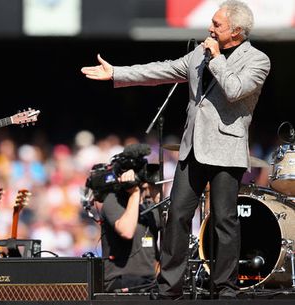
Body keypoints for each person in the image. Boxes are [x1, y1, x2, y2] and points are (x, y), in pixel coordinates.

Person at [81, 0, 270, 299]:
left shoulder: (257, 60)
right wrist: (117, 73)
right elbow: (164, 70)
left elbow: (234, 90)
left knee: (224, 221)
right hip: (192, 149)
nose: (210, 28)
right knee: (177, 216)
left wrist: (217, 58)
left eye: (217, 24)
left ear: (236, 32)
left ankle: (226, 288)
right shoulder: (199, 53)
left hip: (225, 150)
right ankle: (170, 286)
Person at [100, 165, 161, 293]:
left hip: (149, 281)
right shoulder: (113, 200)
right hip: (120, 280)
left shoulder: (149, 207)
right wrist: (134, 192)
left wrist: (157, 193)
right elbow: (127, 232)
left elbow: (173, 236)